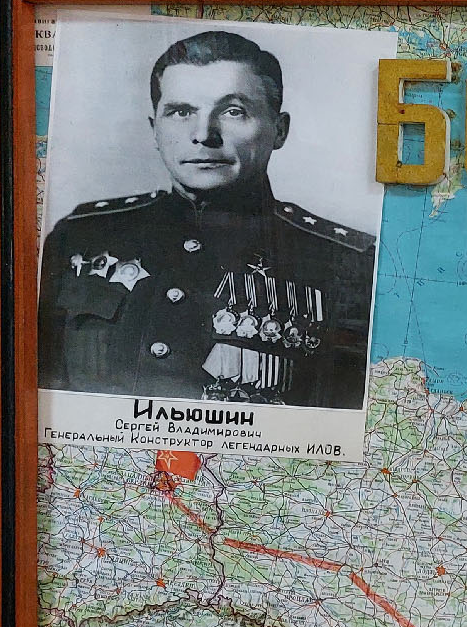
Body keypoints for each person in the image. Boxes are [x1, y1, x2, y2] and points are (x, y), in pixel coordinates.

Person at [38, 29, 375, 408]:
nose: (203, 135)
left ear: (279, 130)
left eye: (233, 111)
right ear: (154, 129)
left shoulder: (348, 261)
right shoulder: (79, 237)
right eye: (181, 112)